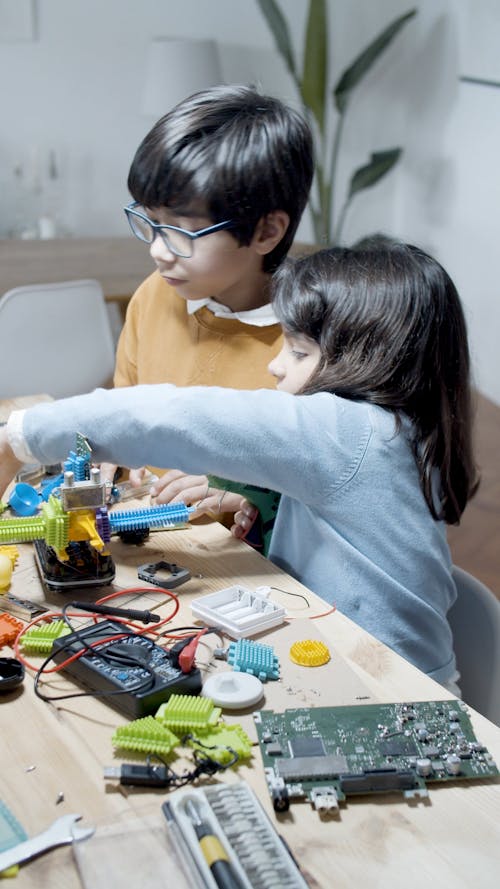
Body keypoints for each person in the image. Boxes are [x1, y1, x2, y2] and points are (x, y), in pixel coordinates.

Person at [0, 240, 478, 690]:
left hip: (387, 690)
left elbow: (167, 417)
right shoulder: (408, 426)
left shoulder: (344, 432)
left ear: (365, 359)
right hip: (394, 670)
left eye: (297, 351)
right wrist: (265, 502)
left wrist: (20, 437)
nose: (275, 365)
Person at [100, 83, 314, 542]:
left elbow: (326, 496)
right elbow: (126, 409)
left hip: (256, 573)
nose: (158, 251)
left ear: (266, 231)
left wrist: (245, 493)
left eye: (181, 231)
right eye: (150, 221)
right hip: (151, 538)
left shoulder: (310, 347)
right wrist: (110, 447)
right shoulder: (155, 295)